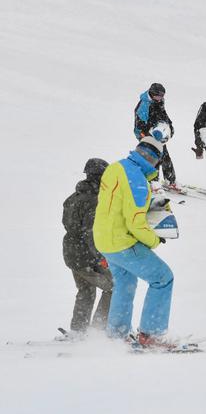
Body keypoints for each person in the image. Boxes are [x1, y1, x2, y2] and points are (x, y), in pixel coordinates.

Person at [93, 137, 175, 349]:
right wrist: (155, 240)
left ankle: (117, 335)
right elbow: (136, 223)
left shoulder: (116, 167)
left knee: (125, 283)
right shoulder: (137, 180)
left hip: (103, 240)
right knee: (163, 278)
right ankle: (152, 335)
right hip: (122, 242)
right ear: (154, 160)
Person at [62, 158, 113, 335]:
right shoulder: (94, 201)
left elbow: (68, 224)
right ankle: (99, 330)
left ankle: (79, 330)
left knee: (85, 290)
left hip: (72, 254)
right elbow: (90, 233)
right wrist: (102, 257)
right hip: (85, 255)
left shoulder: (72, 198)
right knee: (114, 287)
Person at [133, 83, 177, 188]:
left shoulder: (159, 101)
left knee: (165, 156)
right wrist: (147, 136)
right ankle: (153, 182)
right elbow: (139, 126)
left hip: (158, 134)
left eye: (162, 96)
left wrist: (170, 127)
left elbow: (163, 115)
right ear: (152, 93)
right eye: (158, 96)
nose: (160, 98)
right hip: (145, 135)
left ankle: (170, 181)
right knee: (153, 158)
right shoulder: (144, 105)